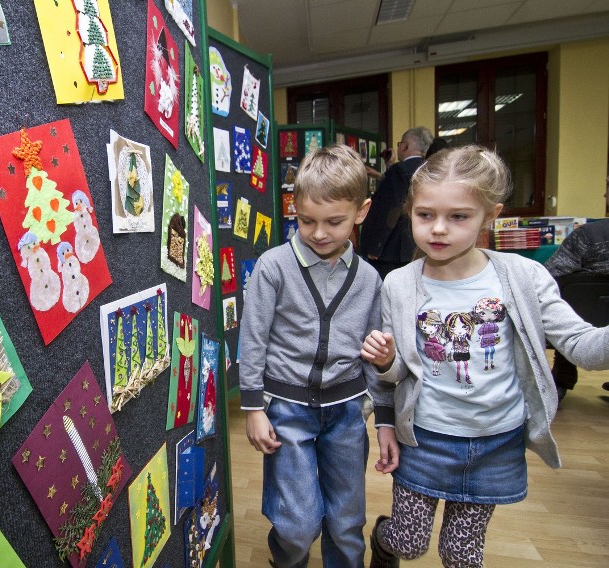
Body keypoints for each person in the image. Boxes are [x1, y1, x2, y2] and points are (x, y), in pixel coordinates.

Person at [361, 146, 609, 568]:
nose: (438, 229)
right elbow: (398, 373)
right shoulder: (398, 285)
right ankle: (384, 542)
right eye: (425, 215)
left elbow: (584, 347)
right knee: (409, 542)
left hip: (496, 443)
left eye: (458, 217)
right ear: (410, 212)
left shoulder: (523, 278)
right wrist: (385, 363)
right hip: (424, 440)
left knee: (462, 555)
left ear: (489, 216)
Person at [240, 145, 398, 568]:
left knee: (347, 524)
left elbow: (374, 356)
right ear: (294, 207)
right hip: (286, 413)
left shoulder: (369, 280)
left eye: (335, 222)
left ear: (361, 212)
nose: (319, 233)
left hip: (346, 415)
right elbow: (252, 340)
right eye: (306, 220)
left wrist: (383, 417)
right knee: (297, 525)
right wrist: (254, 408)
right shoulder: (272, 268)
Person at [544, 179, 609, 399]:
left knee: (568, 302)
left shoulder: (588, 236)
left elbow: (550, 274)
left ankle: (561, 380)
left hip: (584, 318)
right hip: (588, 336)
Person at [359, 127, 433, 279]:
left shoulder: (399, 171)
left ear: (405, 146)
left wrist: (376, 246)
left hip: (392, 248)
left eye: (400, 144)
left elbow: (391, 209)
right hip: (417, 245)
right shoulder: (430, 168)